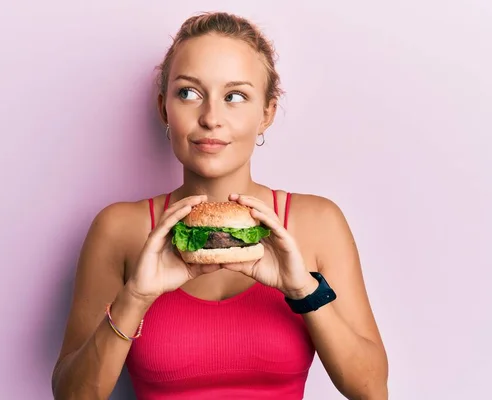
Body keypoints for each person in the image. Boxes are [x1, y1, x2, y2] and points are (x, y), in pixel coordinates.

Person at [51, 11, 388, 400]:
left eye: (235, 96)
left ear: (267, 113)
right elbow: (72, 396)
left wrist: (303, 291)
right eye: (189, 93)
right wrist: (136, 299)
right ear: (164, 109)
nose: (211, 118)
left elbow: (372, 390)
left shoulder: (318, 223)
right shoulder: (119, 229)